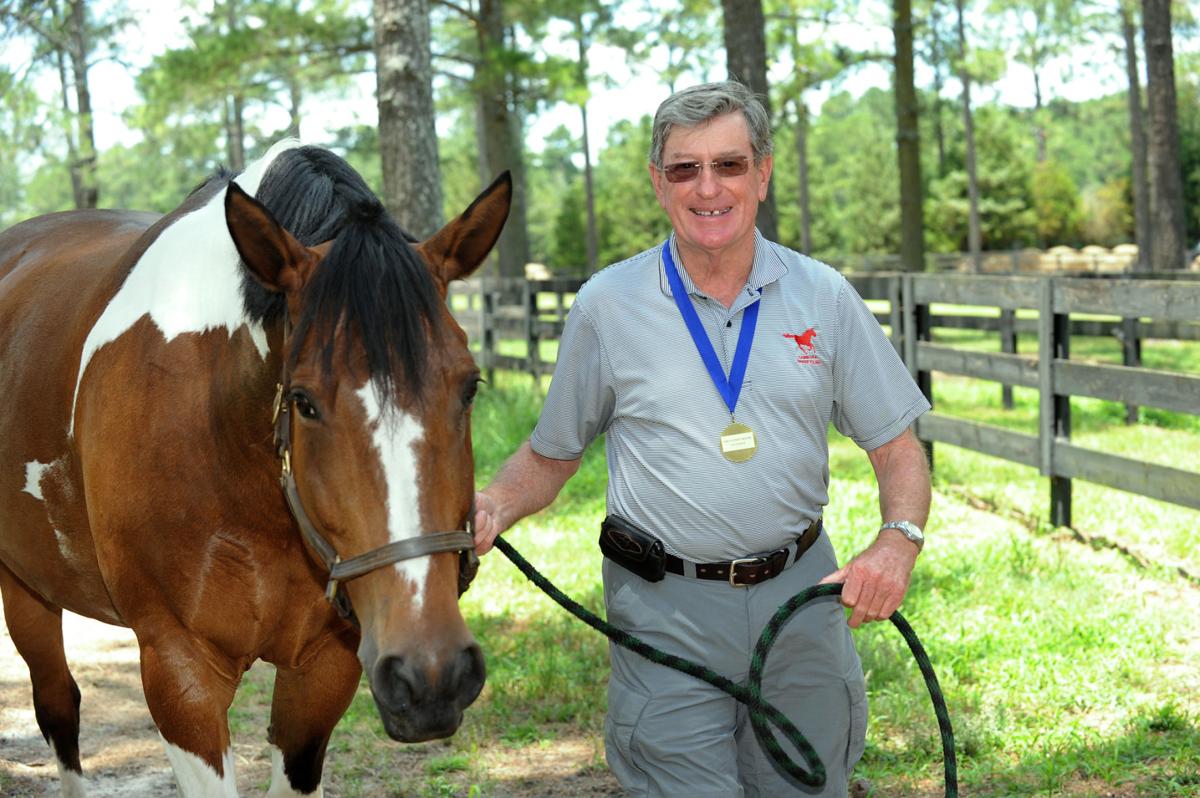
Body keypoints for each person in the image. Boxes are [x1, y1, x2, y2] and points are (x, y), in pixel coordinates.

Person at [473, 80, 931, 797]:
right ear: (660, 184)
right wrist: (492, 506)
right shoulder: (607, 306)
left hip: (802, 598)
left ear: (764, 174)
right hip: (664, 612)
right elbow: (550, 455)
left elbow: (897, 447)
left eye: (730, 165)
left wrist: (897, 540)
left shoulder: (825, 296)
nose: (708, 187)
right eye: (685, 169)